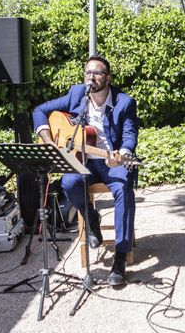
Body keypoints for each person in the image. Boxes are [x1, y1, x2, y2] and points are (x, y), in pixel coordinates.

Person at [33, 55, 138, 285]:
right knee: (69, 183)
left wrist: (124, 153)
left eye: (97, 73)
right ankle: (92, 219)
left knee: (123, 189)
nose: (91, 77)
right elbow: (39, 111)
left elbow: (129, 136)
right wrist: (49, 141)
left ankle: (120, 256)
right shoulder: (76, 94)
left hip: (112, 160)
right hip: (83, 160)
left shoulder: (124, 102)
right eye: (87, 72)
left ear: (108, 78)